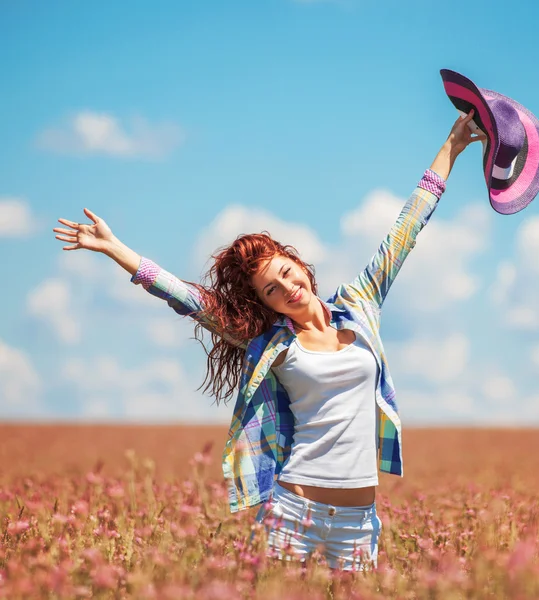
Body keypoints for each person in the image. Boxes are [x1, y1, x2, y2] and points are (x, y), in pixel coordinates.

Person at [53, 110, 484, 571]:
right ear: (267, 303)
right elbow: (189, 299)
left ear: (298, 264)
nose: (286, 288)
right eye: (271, 290)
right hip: (293, 514)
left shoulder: (361, 304)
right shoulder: (271, 343)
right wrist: (118, 250)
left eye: (285, 273)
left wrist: (451, 148)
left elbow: (405, 230)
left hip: (360, 521)